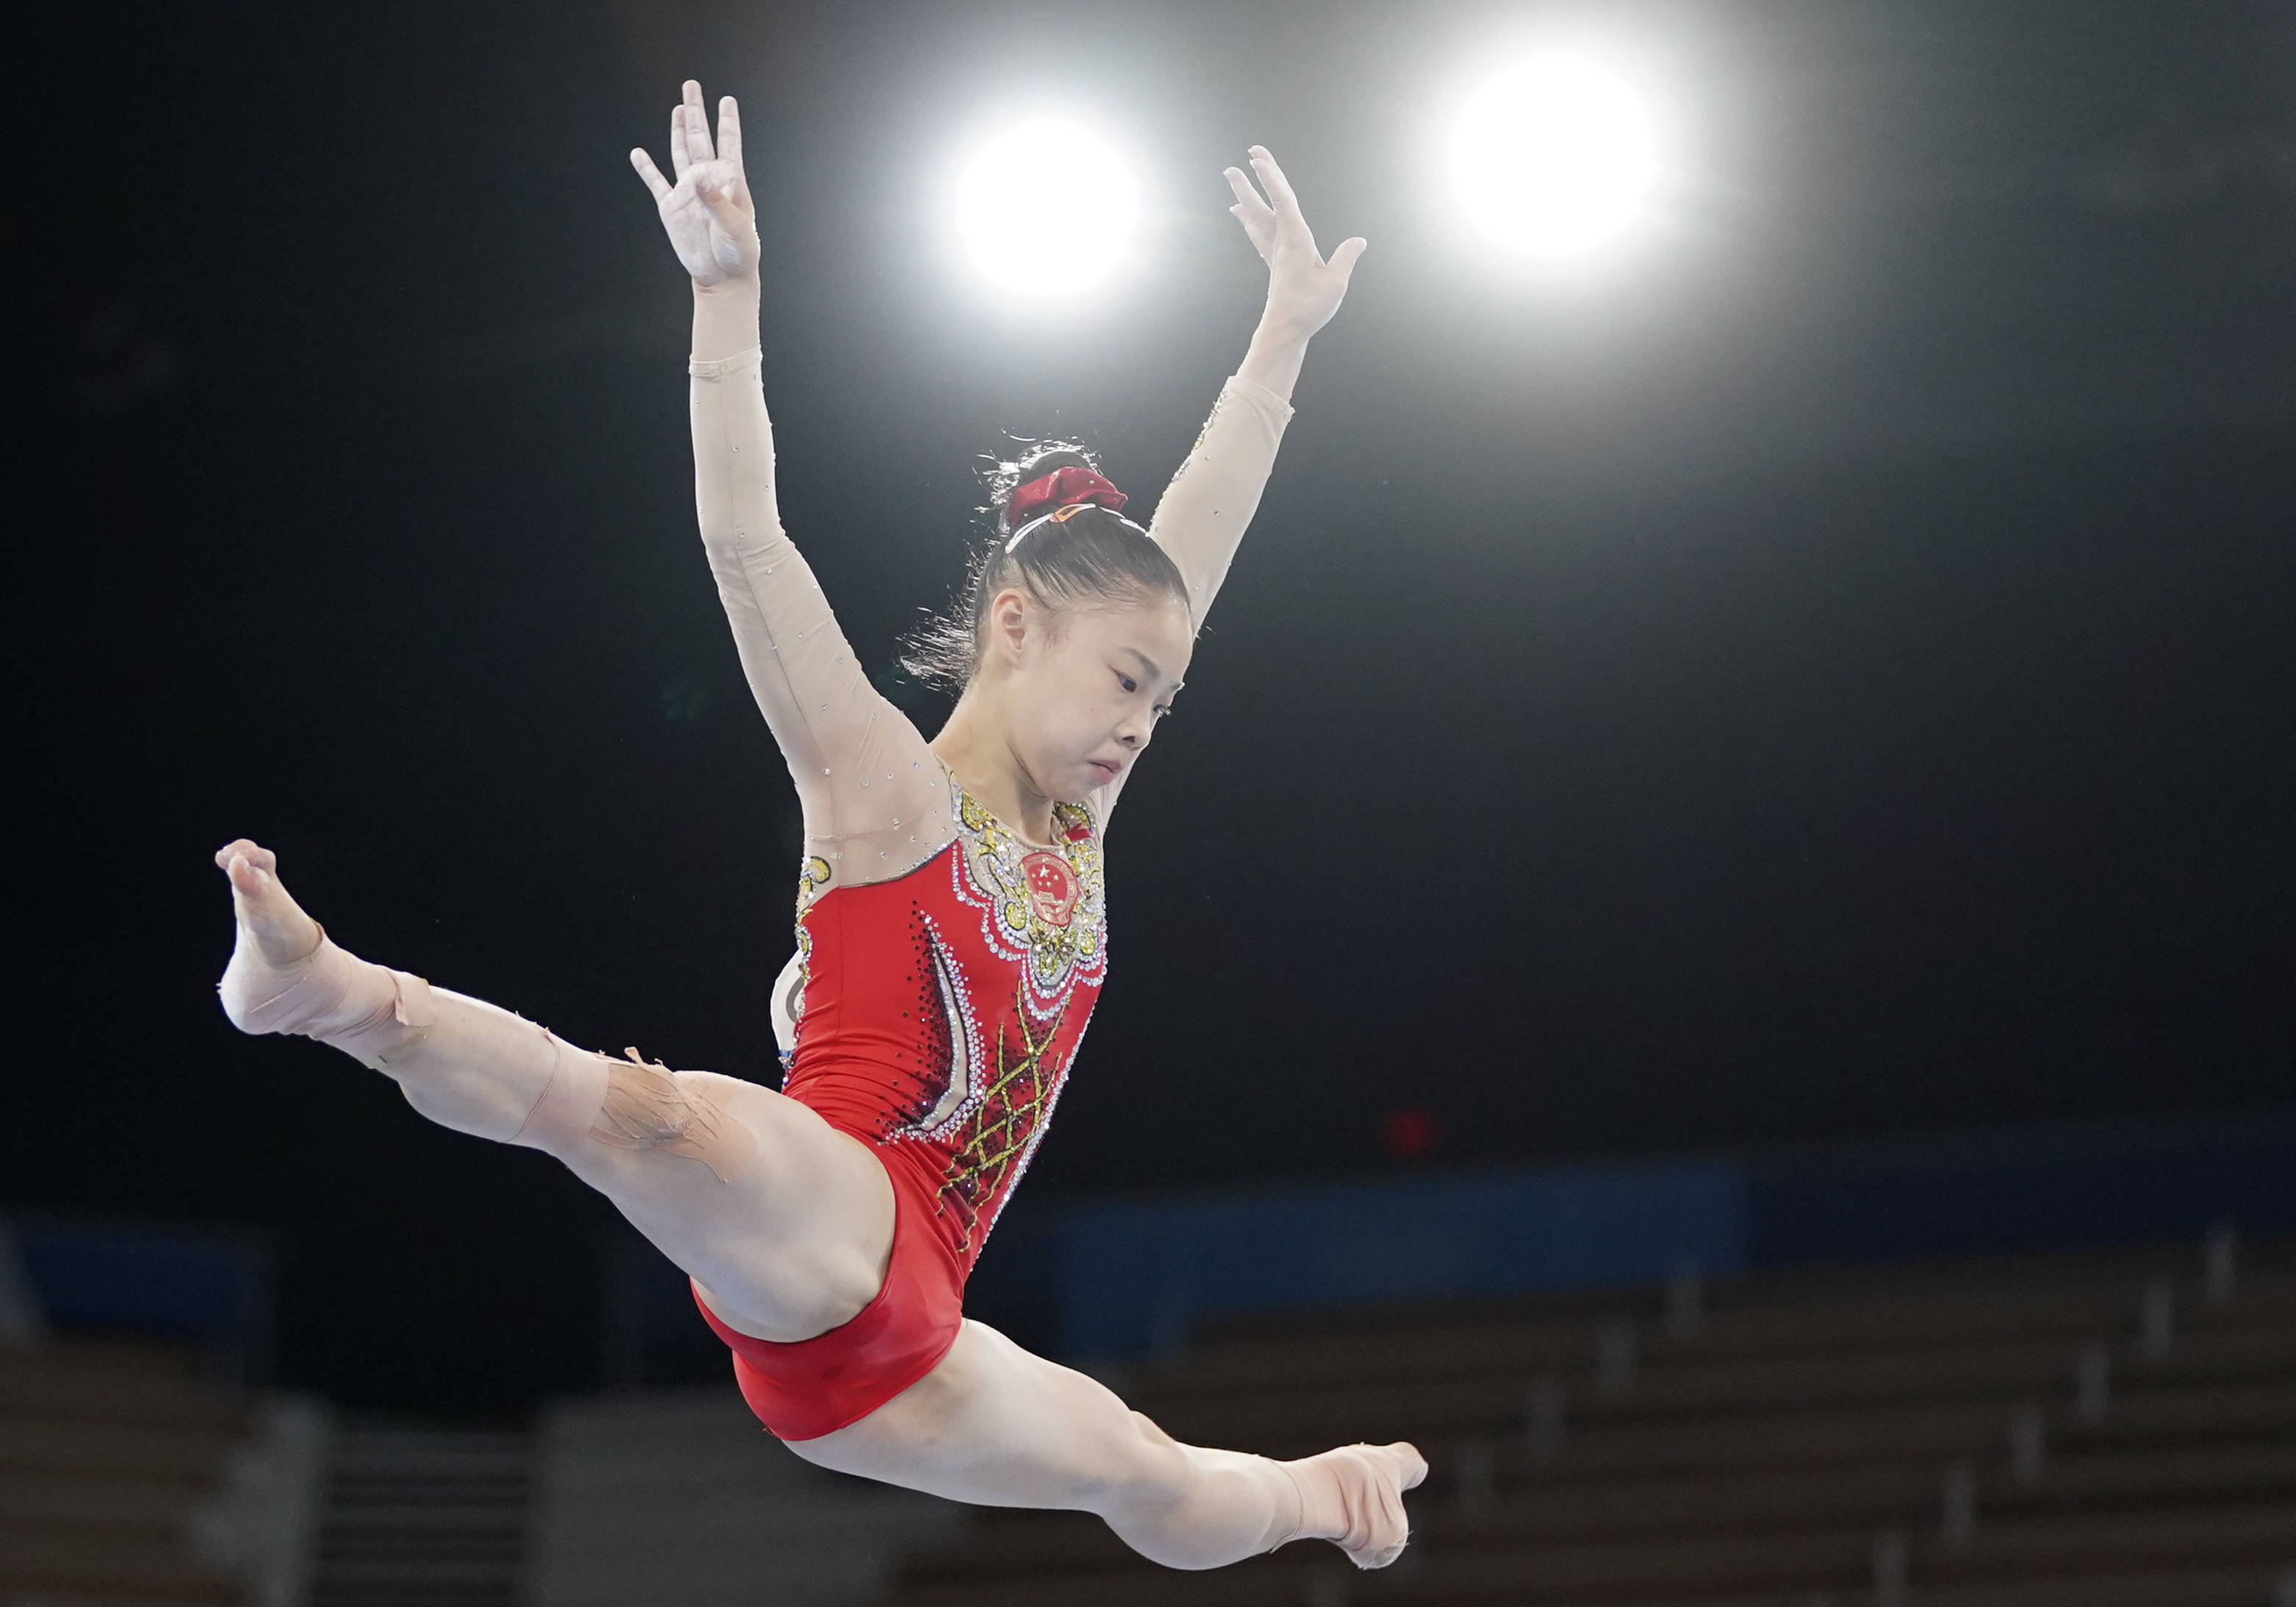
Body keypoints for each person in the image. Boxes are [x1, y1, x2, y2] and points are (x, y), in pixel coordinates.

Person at [214, 79, 1422, 1572]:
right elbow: (744, 545)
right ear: (1012, 626)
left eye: (1163, 701)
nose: (1139, 721)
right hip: (822, 1210)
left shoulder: (1082, 823)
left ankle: (1328, 1494)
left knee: (1159, 1482)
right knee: (640, 1116)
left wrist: (1281, 343)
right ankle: (329, 994)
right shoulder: (884, 793)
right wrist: (728, 306)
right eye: (1124, 679)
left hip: (911, 1346)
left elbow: (1190, 555)